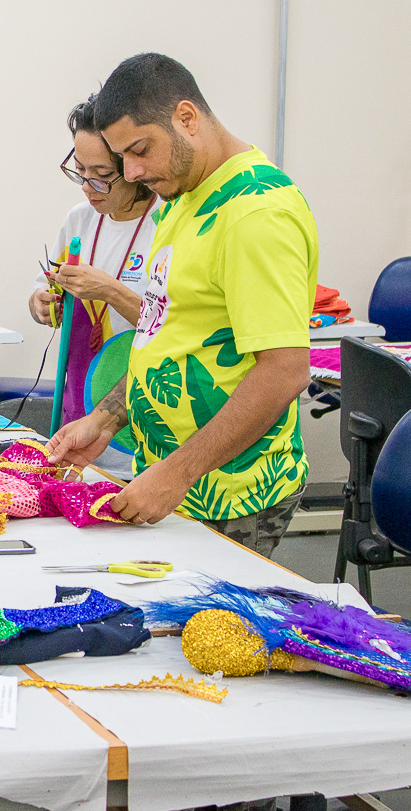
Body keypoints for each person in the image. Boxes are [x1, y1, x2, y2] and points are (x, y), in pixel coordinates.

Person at [49, 53, 317, 562]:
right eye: (122, 158)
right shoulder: (183, 198)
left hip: (231, 491)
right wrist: (105, 420)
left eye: (140, 150)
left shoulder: (255, 214)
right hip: (173, 481)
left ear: (187, 118)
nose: (132, 171)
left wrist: (176, 473)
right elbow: (167, 334)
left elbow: (284, 371)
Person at [30, 95, 158, 434]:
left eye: (102, 175)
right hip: (79, 406)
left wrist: (110, 291)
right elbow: (44, 294)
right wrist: (42, 304)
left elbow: (175, 329)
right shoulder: (80, 220)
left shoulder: (165, 225)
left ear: (134, 166)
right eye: (80, 171)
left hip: (140, 420)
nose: (87, 187)